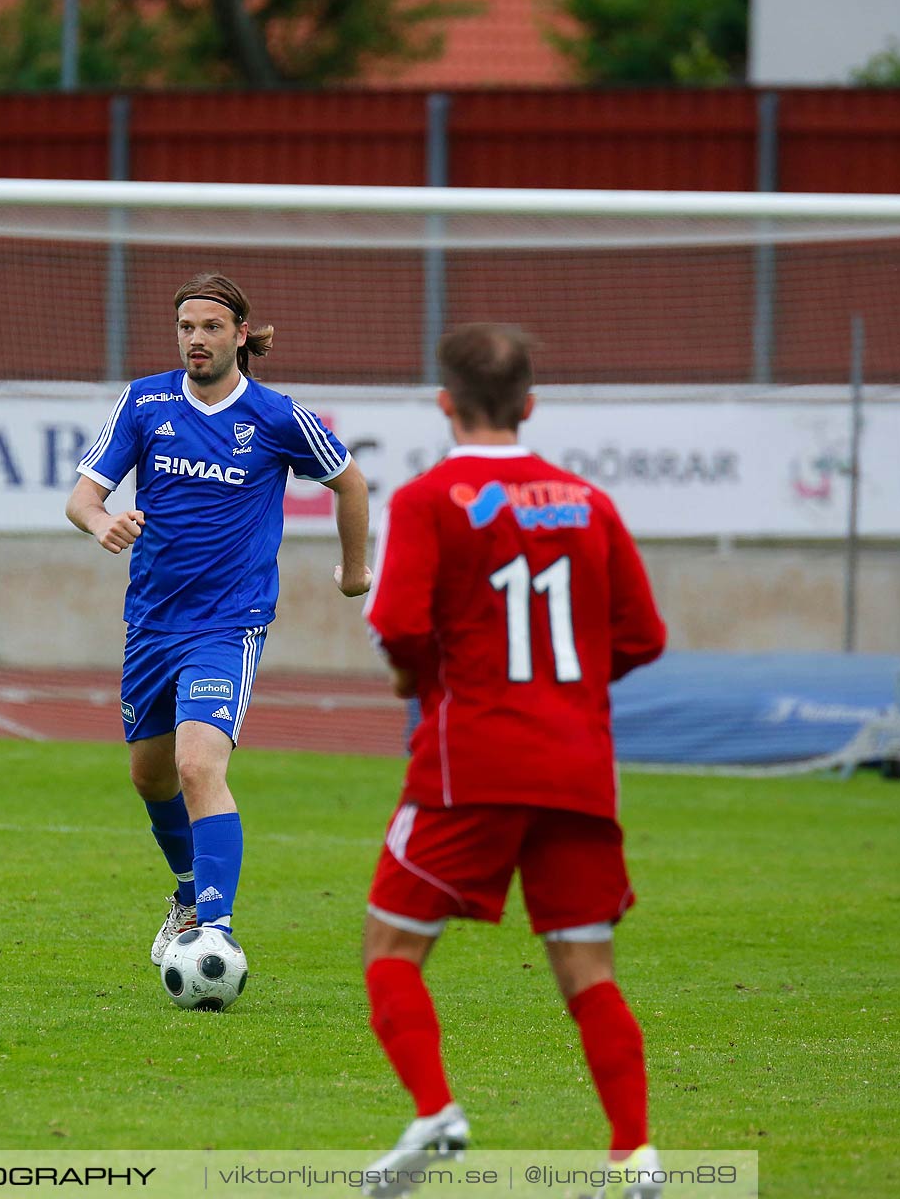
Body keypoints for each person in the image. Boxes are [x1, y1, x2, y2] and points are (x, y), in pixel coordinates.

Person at [359, 325, 668, 1198]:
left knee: (391, 944)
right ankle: (634, 1154)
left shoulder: (426, 499)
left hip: (471, 764)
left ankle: (435, 1111)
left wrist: (416, 676)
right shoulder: (590, 501)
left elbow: (400, 625)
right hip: (577, 767)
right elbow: (643, 636)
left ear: (444, 403)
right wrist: (560, 691)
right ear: (531, 403)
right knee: (586, 967)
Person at [65, 272, 372, 971]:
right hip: (151, 621)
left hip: (228, 623)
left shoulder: (275, 416)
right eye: (185, 328)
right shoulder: (145, 402)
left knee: (198, 764)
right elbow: (82, 497)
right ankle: (185, 895)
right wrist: (103, 523)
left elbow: (348, 480)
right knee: (151, 779)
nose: (195, 340)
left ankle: (215, 932)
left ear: (240, 333)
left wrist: (356, 571)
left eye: (209, 327)